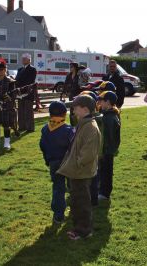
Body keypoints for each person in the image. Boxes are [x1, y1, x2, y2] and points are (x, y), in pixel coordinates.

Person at [57, 95, 101, 240]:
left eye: (75, 108)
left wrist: (76, 164)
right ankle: (78, 227)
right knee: (76, 200)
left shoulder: (91, 128)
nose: (73, 111)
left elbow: (88, 154)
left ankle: (84, 231)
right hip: (76, 171)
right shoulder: (83, 123)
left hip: (81, 172)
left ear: (85, 109)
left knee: (82, 203)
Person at [39, 101, 74, 223]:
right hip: (68, 162)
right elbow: (73, 147)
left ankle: (58, 215)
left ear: (49, 114)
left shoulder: (45, 129)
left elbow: (42, 145)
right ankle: (75, 207)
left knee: (58, 187)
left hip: (53, 162)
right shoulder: (68, 130)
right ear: (65, 114)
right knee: (72, 185)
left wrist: (47, 159)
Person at [97, 91, 121, 200]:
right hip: (104, 149)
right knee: (102, 170)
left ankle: (105, 193)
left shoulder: (110, 117)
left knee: (106, 171)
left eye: (101, 101)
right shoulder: (106, 114)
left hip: (107, 150)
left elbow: (111, 137)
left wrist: (106, 150)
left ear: (108, 102)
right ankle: (101, 190)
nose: (99, 103)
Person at [15, 53, 37, 132]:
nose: (23, 60)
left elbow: (29, 81)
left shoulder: (32, 69)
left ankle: (30, 127)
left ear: (29, 60)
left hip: (28, 93)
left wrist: (19, 85)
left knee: (28, 112)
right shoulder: (20, 69)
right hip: (19, 93)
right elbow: (17, 80)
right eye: (22, 58)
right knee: (20, 111)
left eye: (25, 58)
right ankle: (21, 127)